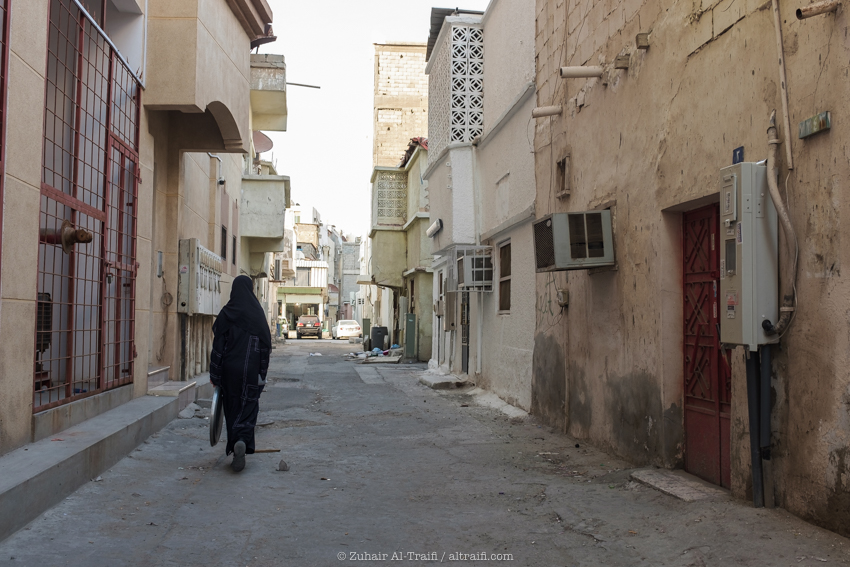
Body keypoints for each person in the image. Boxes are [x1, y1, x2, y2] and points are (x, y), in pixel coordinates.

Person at [210, 275, 271, 472]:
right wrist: (262, 374)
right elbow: (265, 349)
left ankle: (236, 441)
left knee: (232, 407)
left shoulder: (227, 313)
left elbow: (218, 348)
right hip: (251, 371)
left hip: (229, 372)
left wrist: (215, 375)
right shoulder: (257, 315)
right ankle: (242, 441)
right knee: (248, 407)